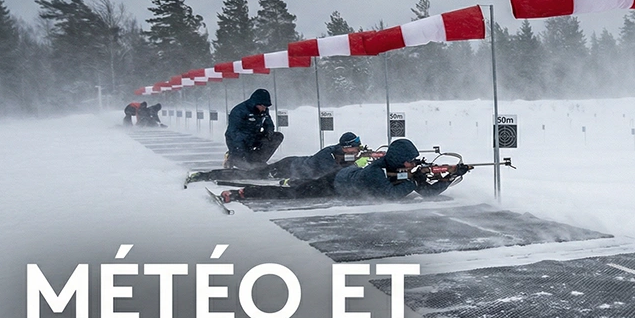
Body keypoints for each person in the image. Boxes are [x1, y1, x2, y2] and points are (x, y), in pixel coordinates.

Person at [220, 138, 451, 202]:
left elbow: (426, 192)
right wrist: (412, 181)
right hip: (334, 183)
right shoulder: (375, 171)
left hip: (343, 178)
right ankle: (244, 192)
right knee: (293, 195)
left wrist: (448, 178)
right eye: (409, 162)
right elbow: (390, 196)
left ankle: (292, 181)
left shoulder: (398, 169)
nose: (412, 165)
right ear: (400, 159)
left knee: (301, 186)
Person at [187, 132, 363, 184]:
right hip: (287, 167)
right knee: (250, 175)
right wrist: (356, 164)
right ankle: (204, 175)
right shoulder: (329, 154)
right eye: (356, 147)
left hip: (292, 165)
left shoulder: (339, 153)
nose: (357, 150)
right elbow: (330, 173)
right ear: (347, 147)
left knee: (252, 173)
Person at [224, 88, 283, 169]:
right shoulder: (239, 111)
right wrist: (240, 150)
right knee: (243, 164)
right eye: (263, 106)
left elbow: (269, 124)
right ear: (256, 103)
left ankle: (258, 160)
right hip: (239, 140)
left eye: (266, 107)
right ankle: (233, 158)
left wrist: (268, 133)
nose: (264, 109)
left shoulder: (264, 111)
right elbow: (233, 133)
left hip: (253, 137)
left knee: (277, 136)